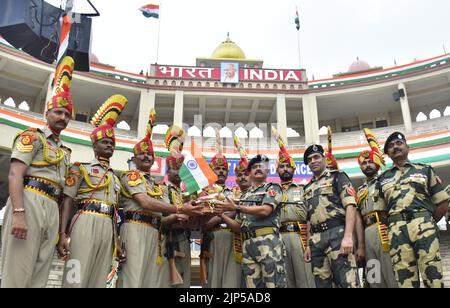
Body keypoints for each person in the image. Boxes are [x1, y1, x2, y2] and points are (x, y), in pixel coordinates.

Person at [1, 57, 74, 288]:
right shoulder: (31, 137)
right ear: (47, 113)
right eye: (58, 112)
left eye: (67, 115)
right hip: (29, 201)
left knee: (40, 275)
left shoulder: (65, 151)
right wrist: (19, 213)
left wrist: (62, 232)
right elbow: (15, 174)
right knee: (18, 273)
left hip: (52, 206)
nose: (63, 117)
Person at [118, 110, 202, 288]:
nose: (147, 156)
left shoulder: (154, 186)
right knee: (133, 279)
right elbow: (145, 203)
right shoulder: (131, 175)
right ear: (134, 158)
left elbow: (162, 211)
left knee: (151, 281)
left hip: (156, 234)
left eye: (150, 154)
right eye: (142, 154)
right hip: (136, 229)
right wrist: (180, 210)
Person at [58, 95, 128, 288]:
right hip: (85, 221)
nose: (109, 145)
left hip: (107, 227)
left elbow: (115, 213)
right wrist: (62, 233)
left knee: (98, 279)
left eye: (112, 142)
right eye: (104, 141)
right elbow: (68, 201)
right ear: (94, 145)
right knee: (75, 275)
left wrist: (117, 241)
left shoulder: (115, 177)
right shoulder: (81, 168)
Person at [377, 132, 449, 288]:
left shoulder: (425, 170)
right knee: (405, 281)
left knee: (433, 277)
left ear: (407, 147)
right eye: (391, 146)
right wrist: (397, 223)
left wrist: (426, 220)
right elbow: (381, 213)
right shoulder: (382, 179)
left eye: (398, 143)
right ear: (388, 154)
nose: (395, 146)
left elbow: (443, 202)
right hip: (397, 233)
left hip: (425, 229)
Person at [217, 154, 287, 288]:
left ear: (267, 171)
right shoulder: (245, 195)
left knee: (274, 285)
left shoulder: (272, 188)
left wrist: (237, 207)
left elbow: (265, 210)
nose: (258, 168)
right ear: (250, 173)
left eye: (262, 166)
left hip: (268, 242)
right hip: (248, 245)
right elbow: (238, 226)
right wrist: (221, 215)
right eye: (255, 167)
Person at [302, 144, 359, 288]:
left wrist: (348, 237)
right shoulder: (307, 188)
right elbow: (309, 219)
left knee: (348, 282)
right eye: (309, 159)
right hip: (316, 240)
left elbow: (350, 206)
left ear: (324, 159)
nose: (313, 161)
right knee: (322, 284)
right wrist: (308, 244)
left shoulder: (338, 177)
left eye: (316, 157)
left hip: (337, 235)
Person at [272, 127, 315, 288]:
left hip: (300, 237)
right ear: (277, 170)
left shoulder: (303, 190)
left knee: (305, 279)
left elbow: (310, 218)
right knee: (285, 280)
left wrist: (309, 244)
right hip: (280, 238)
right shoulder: (272, 192)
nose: (285, 169)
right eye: (281, 166)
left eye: (288, 166)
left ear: (294, 168)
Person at [355, 129, 397, 288]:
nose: (367, 165)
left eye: (370, 162)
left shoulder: (386, 180)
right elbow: (358, 217)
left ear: (377, 163)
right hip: (367, 234)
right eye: (363, 163)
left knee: (390, 274)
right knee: (374, 278)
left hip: (384, 230)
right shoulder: (359, 191)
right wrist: (360, 245)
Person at [200, 129, 241, 288]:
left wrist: (219, 213)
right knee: (213, 282)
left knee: (232, 282)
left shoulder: (234, 192)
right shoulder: (204, 193)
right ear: (212, 170)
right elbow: (204, 225)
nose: (222, 171)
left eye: (224, 169)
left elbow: (240, 215)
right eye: (218, 169)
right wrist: (229, 212)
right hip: (212, 239)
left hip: (232, 239)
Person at [161, 125, 194, 288]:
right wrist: (178, 215)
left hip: (184, 239)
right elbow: (162, 219)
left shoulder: (185, 192)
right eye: (175, 168)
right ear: (168, 170)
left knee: (185, 281)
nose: (178, 172)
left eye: (181, 168)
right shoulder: (162, 189)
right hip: (169, 239)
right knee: (169, 281)